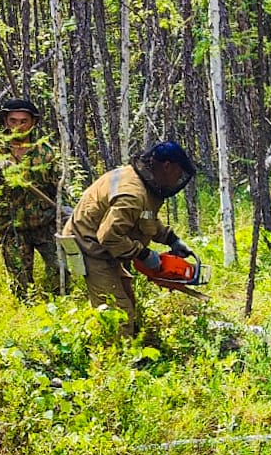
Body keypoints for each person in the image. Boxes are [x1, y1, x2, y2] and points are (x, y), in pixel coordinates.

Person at [61, 141, 196, 338]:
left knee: (128, 297)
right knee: (118, 312)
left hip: (103, 246)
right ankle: (116, 361)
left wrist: (170, 238)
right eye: (178, 173)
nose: (178, 179)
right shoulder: (132, 194)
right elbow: (108, 236)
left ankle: (134, 344)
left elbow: (145, 217)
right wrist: (143, 254)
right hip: (89, 246)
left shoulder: (140, 184)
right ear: (167, 166)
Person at [0, 99, 64, 300]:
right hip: (11, 228)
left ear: (33, 122)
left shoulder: (45, 152)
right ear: (5, 122)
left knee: (60, 273)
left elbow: (62, 186)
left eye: (23, 121)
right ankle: (26, 320)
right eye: (13, 121)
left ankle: (59, 312)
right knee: (21, 285)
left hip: (45, 225)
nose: (18, 126)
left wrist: (69, 209)